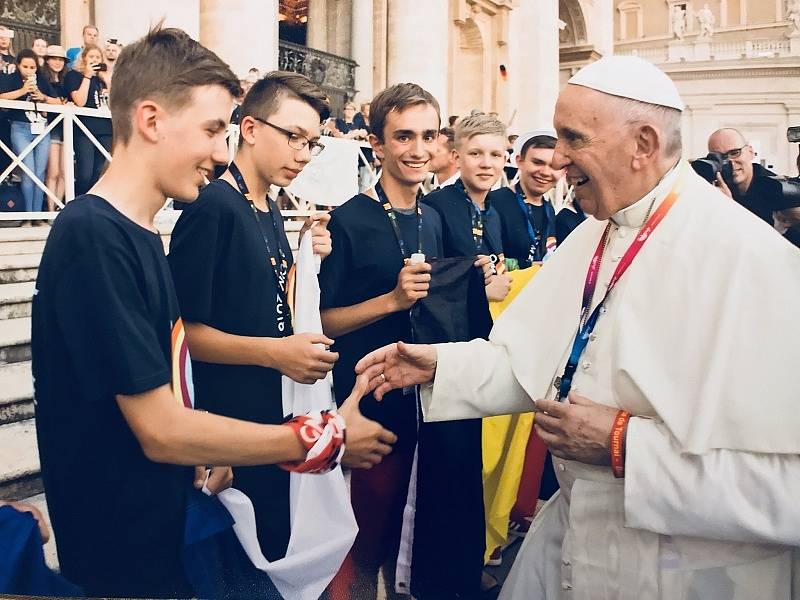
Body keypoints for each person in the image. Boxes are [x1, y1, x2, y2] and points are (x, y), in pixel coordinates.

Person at [356, 55, 800, 599]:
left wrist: (626, 446)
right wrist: (441, 366)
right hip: (572, 544)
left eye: (573, 139)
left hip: (687, 577)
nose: (557, 158)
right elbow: (536, 363)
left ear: (642, 144)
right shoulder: (594, 234)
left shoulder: (752, 262)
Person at [31, 26, 388, 599]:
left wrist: (212, 455)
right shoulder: (92, 237)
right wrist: (324, 440)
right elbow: (162, 432)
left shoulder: (139, 234)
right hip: (120, 552)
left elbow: (162, 382)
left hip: (164, 526)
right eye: (213, 129)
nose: (223, 152)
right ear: (151, 120)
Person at [168, 71, 393, 562]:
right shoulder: (213, 209)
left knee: (274, 545)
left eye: (312, 143)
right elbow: (181, 334)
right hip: (226, 424)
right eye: (293, 137)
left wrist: (302, 263)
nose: (303, 154)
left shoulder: (268, 206)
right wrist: (274, 353)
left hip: (272, 416)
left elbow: (260, 300)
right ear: (249, 128)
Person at [319, 82, 444, 599]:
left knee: (403, 533)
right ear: (376, 144)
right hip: (364, 403)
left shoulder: (434, 217)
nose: (418, 150)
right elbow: (322, 325)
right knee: (357, 541)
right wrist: (392, 301)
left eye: (428, 136)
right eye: (404, 137)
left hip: (422, 400)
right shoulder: (347, 219)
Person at [423, 112, 512, 303]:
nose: (486, 164)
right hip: (452, 331)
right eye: (475, 153)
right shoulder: (434, 206)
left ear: (504, 161)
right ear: (456, 158)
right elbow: (426, 286)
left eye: (495, 155)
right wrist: (480, 294)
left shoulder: (494, 212)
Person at [491, 129, 565, 268]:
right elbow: (488, 260)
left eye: (554, 166)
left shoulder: (549, 209)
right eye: (537, 162)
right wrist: (530, 266)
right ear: (520, 161)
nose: (545, 172)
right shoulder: (494, 202)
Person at [0, 49, 59, 214]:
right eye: (25, 66)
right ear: (18, 65)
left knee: (40, 172)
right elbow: (2, 98)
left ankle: (37, 215)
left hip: (42, 128)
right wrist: (23, 91)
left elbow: (58, 102)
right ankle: (28, 214)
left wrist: (42, 96)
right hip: (20, 128)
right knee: (28, 171)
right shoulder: (12, 79)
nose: (29, 70)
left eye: (32, 67)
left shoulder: (42, 80)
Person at [63, 44, 112, 195]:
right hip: (84, 128)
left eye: (98, 57)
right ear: (84, 58)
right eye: (91, 57)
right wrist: (87, 76)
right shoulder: (74, 75)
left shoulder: (103, 79)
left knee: (100, 172)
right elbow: (80, 101)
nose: (95, 60)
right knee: (85, 172)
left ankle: (91, 203)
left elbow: (113, 104)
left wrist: (108, 82)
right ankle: (78, 201)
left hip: (105, 129)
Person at [41, 45, 69, 210]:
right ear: (47, 60)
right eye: (54, 58)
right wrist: (57, 102)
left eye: (61, 59)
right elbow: (40, 96)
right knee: (53, 172)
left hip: (66, 126)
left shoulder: (67, 80)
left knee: (65, 173)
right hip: (50, 126)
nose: (58, 62)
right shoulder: (42, 79)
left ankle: (58, 207)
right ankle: (50, 208)